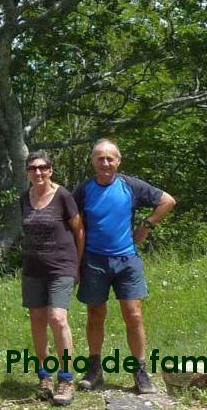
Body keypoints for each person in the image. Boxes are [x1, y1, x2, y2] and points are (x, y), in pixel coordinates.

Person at [73, 139, 176, 395]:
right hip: (94, 260)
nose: (105, 163)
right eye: (100, 158)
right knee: (95, 314)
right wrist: (75, 262)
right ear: (92, 162)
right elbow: (74, 226)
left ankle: (140, 371)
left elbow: (167, 201)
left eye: (110, 158)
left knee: (134, 315)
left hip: (126, 260)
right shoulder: (84, 190)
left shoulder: (131, 185)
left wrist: (146, 225)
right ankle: (94, 370)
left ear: (118, 161)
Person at [19, 152, 84, 406]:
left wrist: (77, 265)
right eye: (33, 168)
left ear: (50, 170)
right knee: (37, 320)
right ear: (27, 172)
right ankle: (44, 376)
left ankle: (66, 378)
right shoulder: (24, 198)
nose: (38, 172)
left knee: (57, 318)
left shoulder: (63, 196)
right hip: (33, 269)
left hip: (61, 267)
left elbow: (79, 230)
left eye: (43, 167)